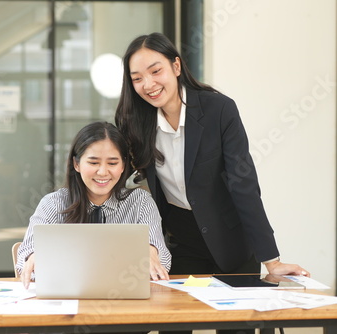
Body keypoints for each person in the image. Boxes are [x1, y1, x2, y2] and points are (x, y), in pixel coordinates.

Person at [114, 33, 310, 334]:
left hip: (231, 237)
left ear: (176, 66)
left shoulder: (219, 110)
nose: (148, 84)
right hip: (180, 239)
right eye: (137, 78)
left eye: (156, 71)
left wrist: (271, 261)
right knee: (173, 324)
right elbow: (115, 181)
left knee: (236, 328)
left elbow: (244, 186)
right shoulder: (135, 122)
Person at [16, 121, 171, 289]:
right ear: (77, 164)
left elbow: (163, 261)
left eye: (112, 163)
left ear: (123, 166)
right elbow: (24, 255)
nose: (103, 172)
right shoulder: (54, 203)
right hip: (67, 298)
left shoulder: (140, 202)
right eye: (93, 162)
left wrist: (152, 251)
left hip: (123, 298)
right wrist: (34, 255)